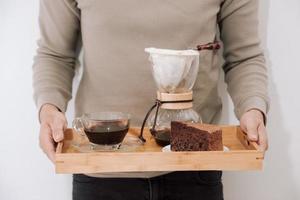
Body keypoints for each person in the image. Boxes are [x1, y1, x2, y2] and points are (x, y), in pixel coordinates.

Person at [33, 0, 269, 199]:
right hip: (101, 170)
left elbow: (244, 57)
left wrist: (252, 108)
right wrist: (50, 109)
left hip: (194, 167)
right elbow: (56, 54)